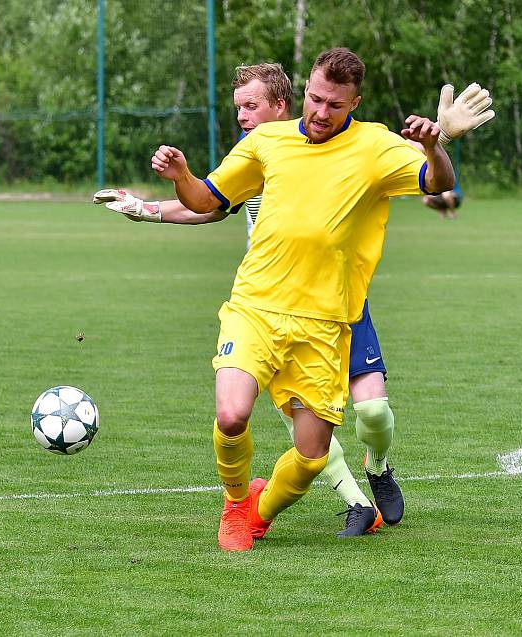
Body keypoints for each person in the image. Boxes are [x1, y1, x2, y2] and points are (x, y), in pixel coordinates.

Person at [149, 47, 456, 552]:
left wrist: (433, 145)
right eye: (314, 98)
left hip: (324, 324)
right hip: (255, 307)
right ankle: (233, 504)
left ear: (354, 103)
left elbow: (439, 181)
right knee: (231, 416)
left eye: (334, 105)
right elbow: (207, 200)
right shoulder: (267, 140)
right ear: (305, 90)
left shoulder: (376, 146)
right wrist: (180, 176)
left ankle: (258, 512)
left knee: (312, 457)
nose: (319, 112)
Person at [97, 63, 410, 537]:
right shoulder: (261, 151)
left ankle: (374, 470)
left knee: (365, 415)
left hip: (334, 304)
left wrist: (439, 138)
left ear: (279, 105)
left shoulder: (334, 147)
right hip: (264, 303)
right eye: (238, 107)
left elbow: (404, 166)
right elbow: (210, 204)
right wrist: (148, 209)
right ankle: (343, 502)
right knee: (261, 416)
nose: (242, 116)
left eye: (251, 106)